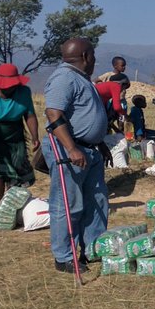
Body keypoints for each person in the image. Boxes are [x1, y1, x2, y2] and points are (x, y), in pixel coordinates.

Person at [41, 38, 109, 274]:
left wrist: (99, 142)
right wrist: (71, 148)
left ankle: (93, 249)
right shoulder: (64, 78)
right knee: (69, 204)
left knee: (96, 201)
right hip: (70, 150)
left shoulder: (81, 78)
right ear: (86, 56)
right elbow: (53, 113)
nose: (94, 61)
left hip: (90, 149)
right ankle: (64, 257)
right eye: (93, 56)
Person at [0, 63, 39, 206]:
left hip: (14, 130)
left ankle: (12, 204)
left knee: (17, 166)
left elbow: (29, 115)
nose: (7, 88)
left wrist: (35, 136)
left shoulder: (24, 92)